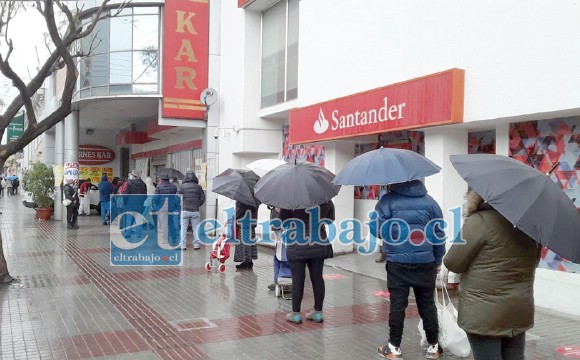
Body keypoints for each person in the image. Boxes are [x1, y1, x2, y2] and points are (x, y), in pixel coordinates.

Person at [444, 191, 541, 360]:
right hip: (518, 309)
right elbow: (533, 262)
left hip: (483, 312)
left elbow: (453, 262)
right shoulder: (530, 225)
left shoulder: (480, 222)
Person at [370, 179, 445, 359]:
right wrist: (437, 260)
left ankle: (394, 347)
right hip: (425, 262)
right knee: (427, 304)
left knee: (397, 304)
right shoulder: (430, 202)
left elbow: (377, 230)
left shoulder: (387, 201)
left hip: (397, 262)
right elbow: (438, 234)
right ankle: (434, 347)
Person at [279, 201, 335, 324]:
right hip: (318, 244)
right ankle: (318, 312)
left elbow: (282, 222)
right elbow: (330, 219)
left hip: (297, 245)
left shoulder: (291, 200)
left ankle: (296, 314)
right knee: (317, 278)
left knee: (298, 279)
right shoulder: (324, 198)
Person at [177, 170, 205, 250]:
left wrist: (181, 205)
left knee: (183, 228)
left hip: (184, 210)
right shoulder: (198, 187)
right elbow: (203, 198)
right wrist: (197, 204)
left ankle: (183, 245)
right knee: (196, 228)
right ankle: (196, 245)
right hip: (195, 211)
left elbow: (177, 198)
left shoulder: (182, 186)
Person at [233, 201, 259, 270]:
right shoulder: (254, 197)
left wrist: (235, 216)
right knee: (249, 243)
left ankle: (246, 263)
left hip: (244, 222)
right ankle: (249, 262)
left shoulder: (243, 198)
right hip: (251, 222)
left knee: (245, 244)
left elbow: (240, 211)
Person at [155, 174, 179, 244]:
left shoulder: (158, 187)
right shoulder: (174, 186)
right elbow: (174, 196)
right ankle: (174, 238)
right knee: (171, 222)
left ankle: (165, 239)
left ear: (161, 179)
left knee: (163, 223)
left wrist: (158, 205)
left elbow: (155, 198)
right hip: (170, 207)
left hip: (162, 208)